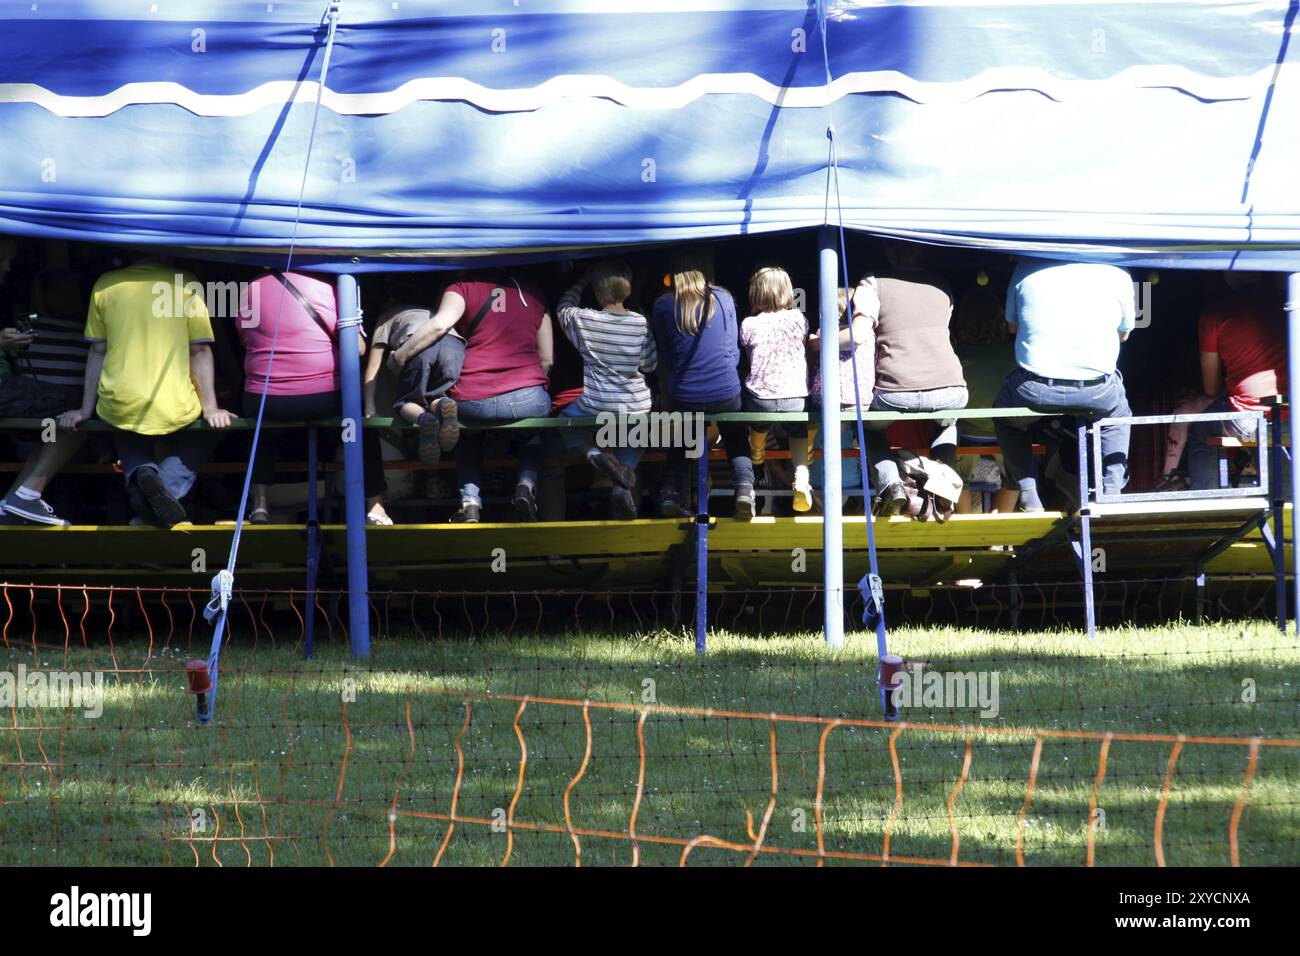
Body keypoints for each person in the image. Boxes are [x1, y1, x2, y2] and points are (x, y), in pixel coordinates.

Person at [59, 254, 236, 527]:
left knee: (119, 419)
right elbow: (199, 349)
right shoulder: (185, 283)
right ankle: (160, 490)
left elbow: (97, 350)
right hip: (173, 404)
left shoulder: (106, 283)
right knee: (211, 430)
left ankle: (141, 472)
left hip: (119, 402)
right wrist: (211, 408)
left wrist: (85, 408)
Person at [390, 270, 560, 524]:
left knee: (466, 437)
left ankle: (469, 504)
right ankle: (526, 486)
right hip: (527, 397)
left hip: (472, 397)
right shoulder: (534, 292)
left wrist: (400, 355)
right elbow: (547, 359)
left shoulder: (462, 286)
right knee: (534, 432)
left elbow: (439, 325)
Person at [237, 270, 392, 525]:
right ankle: (375, 505)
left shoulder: (247, 289)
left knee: (261, 429)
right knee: (361, 426)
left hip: (266, 400)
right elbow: (357, 349)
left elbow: (245, 339)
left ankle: (260, 503)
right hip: (324, 396)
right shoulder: (331, 289)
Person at [993, 258, 1135, 511]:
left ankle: (1028, 493)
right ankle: (1111, 490)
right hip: (1097, 390)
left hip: (1035, 389)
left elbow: (1013, 326)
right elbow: (1124, 334)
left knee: (1005, 418)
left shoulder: (1026, 266)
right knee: (1117, 417)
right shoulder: (1118, 272)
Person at [860, 242, 968, 516]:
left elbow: (861, 329)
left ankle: (890, 483)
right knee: (947, 422)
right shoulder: (942, 284)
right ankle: (942, 478)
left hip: (893, 388)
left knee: (867, 428)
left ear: (888, 251)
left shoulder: (873, 281)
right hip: (948, 386)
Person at [650, 247, 754, 520]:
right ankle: (744, 488)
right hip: (725, 391)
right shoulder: (723, 298)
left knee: (682, 433)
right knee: (733, 433)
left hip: (685, 393)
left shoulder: (662, 305)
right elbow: (733, 351)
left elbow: (666, 356)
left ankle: (670, 492)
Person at [554, 259, 658, 520]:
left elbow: (563, 307)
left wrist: (582, 280)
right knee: (640, 429)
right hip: (635, 404)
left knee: (565, 420)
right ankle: (623, 478)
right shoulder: (641, 323)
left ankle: (597, 456)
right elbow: (651, 364)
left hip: (596, 402)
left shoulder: (585, 319)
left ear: (598, 291)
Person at [1175, 273, 1287, 491]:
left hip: (1248, 419)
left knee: (1201, 431)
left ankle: (1209, 504)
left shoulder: (1216, 313)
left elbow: (1211, 387)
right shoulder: (1290, 302)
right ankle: (1288, 498)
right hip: (1294, 415)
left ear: (1227, 276)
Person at [0, 268, 92, 525]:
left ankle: (11, 504)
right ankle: (26, 497)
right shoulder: (84, 329)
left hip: (33, 428)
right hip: (14, 399)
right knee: (80, 410)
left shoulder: (30, 325)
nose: (7, 267)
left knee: (57, 425)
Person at [739, 266, 811, 512]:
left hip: (761, 397)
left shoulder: (748, 324)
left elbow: (748, 354)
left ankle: (757, 454)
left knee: (759, 423)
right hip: (795, 396)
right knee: (798, 431)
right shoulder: (799, 319)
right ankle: (801, 476)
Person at [950, 282, 1020, 513]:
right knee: (1017, 470)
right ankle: (1003, 526)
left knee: (957, 474)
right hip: (1005, 432)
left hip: (967, 432)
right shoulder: (1014, 353)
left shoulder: (955, 354)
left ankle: (964, 523)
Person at [376, 301, 463, 468]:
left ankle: (424, 420)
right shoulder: (433, 309)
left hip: (417, 342)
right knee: (436, 395)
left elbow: (373, 367)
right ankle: (444, 404)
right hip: (454, 344)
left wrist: (370, 408)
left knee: (406, 402)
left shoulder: (385, 317)